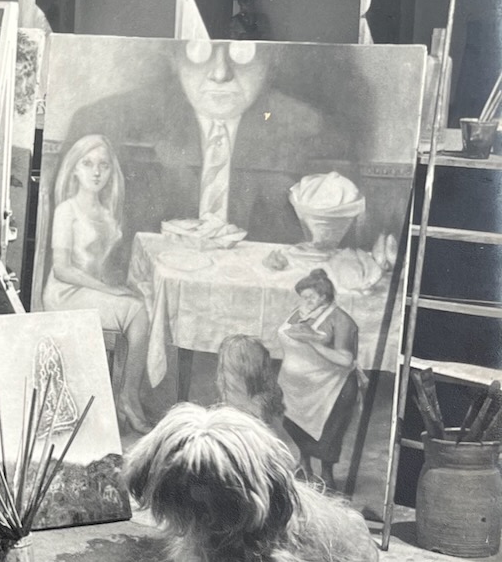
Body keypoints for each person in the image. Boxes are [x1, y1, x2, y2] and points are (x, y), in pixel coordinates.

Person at [63, 39, 359, 248]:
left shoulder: (314, 132)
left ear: (273, 56)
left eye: (243, 52)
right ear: (174, 56)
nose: (220, 74)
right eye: (199, 52)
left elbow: (335, 246)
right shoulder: (102, 124)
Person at [41, 134, 152, 433]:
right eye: (87, 164)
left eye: (103, 165)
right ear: (74, 169)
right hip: (64, 293)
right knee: (137, 312)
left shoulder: (107, 212)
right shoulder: (67, 211)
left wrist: (114, 287)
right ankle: (128, 397)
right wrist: (108, 290)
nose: (96, 172)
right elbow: (63, 270)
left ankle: (122, 395)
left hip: (89, 288)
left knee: (141, 304)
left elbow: (101, 266)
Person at [277, 269, 361, 491]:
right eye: (303, 297)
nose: (304, 301)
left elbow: (345, 359)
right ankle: (304, 464)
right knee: (294, 424)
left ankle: (326, 474)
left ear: (324, 296)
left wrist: (313, 342)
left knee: (328, 433)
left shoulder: (342, 321)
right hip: (297, 389)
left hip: (331, 388)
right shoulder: (303, 311)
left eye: (309, 297)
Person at [215, 334, 299, 464]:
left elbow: (264, 445)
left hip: (267, 457)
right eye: (223, 367)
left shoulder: (258, 402)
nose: (224, 374)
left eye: (230, 369)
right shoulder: (228, 393)